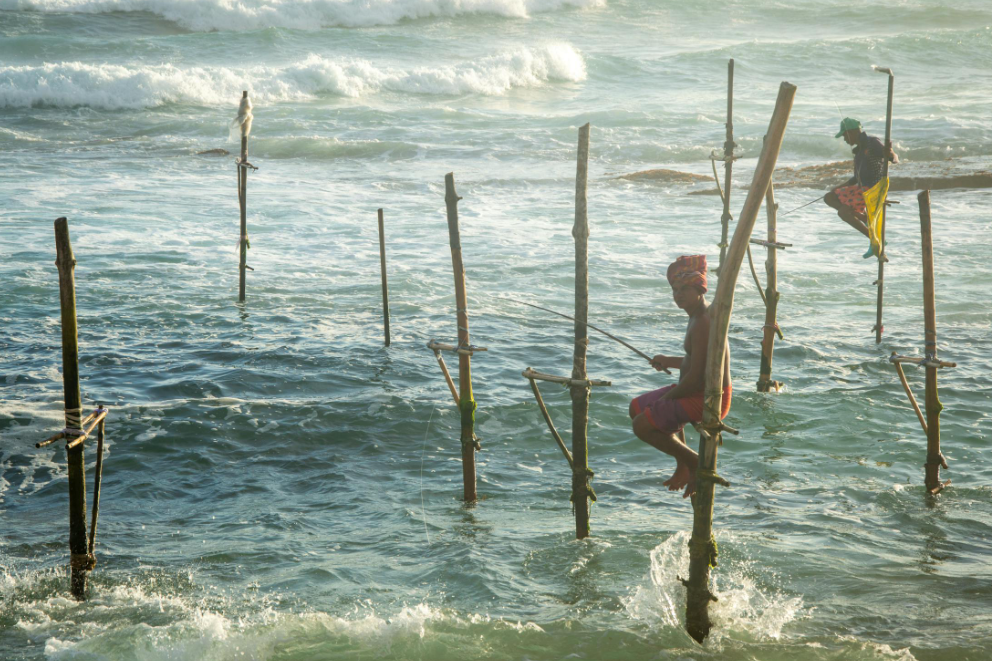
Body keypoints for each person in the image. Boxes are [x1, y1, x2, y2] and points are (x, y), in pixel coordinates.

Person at [629, 255, 732, 499]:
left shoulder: (703, 322)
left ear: (699, 288)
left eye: (684, 288)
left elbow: (696, 379)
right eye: (675, 289)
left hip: (706, 397)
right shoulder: (696, 317)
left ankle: (693, 461)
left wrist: (666, 399)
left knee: (641, 425)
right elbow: (695, 361)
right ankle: (683, 462)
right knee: (636, 407)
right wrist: (669, 360)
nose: (678, 294)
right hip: (694, 389)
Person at [824, 117, 898, 238]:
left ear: (851, 132)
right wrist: (838, 187)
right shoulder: (859, 151)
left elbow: (893, 158)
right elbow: (856, 178)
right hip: (862, 188)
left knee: (843, 212)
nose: (845, 139)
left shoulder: (872, 142)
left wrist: (891, 154)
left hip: (873, 188)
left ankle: (871, 236)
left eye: (845, 136)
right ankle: (863, 217)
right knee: (829, 197)